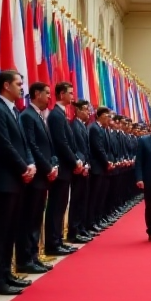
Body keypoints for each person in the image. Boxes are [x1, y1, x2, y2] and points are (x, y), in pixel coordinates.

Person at [0, 70, 34, 296]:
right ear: (6, 86)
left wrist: (30, 164)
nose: (22, 88)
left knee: (12, 229)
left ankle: (7, 273)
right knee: (1, 231)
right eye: (19, 83)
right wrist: (24, 167)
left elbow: (23, 144)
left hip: (17, 178)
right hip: (5, 178)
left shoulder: (14, 110)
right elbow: (3, 145)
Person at [16, 82, 57, 274]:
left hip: (43, 176)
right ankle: (25, 259)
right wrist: (47, 167)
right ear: (37, 94)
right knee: (28, 219)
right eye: (47, 93)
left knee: (36, 218)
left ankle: (33, 255)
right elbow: (32, 146)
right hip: (35, 177)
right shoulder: (27, 116)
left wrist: (53, 163)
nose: (50, 97)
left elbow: (48, 145)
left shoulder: (39, 116)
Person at [44, 82, 80, 256]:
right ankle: (52, 243)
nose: (73, 96)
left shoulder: (61, 114)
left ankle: (58, 239)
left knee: (61, 206)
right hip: (61, 168)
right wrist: (75, 162)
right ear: (61, 94)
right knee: (56, 206)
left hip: (65, 168)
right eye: (70, 93)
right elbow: (61, 143)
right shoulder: (56, 116)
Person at [68, 99, 92, 243]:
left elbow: (86, 149)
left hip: (85, 167)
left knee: (83, 200)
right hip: (78, 169)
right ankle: (73, 231)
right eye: (85, 109)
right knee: (76, 200)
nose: (88, 112)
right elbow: (76, 148)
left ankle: (81, 227)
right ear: (77, 110)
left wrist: (87, 164)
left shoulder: (83, 126)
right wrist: (82, 164)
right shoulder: (74, 126)